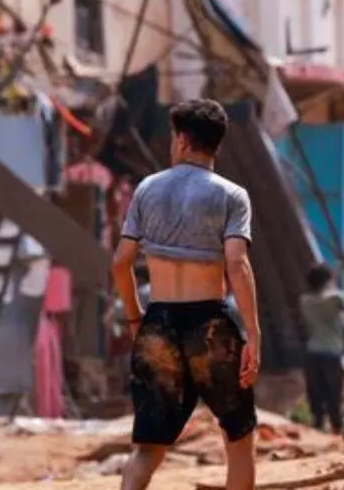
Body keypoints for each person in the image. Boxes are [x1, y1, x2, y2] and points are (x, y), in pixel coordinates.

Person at [111, 99, 260, 490]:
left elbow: (120, 262)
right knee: (238, 437)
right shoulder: (232, 196)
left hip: (159, 321)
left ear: (181, 140)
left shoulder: (147, 189)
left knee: (148, 447)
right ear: (216, 144)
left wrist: (136, 318)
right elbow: (237, 264)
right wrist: (253, 334)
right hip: (210, 324)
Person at [299, 264, 344, 434]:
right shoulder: (336, 298)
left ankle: (318, 425)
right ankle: (337, 427)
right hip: (332, 352)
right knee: (334, 393)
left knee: (316, 393)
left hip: (312, 351)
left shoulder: (305, 301)